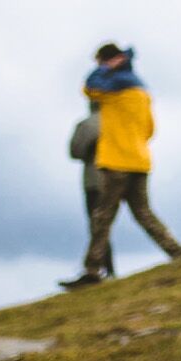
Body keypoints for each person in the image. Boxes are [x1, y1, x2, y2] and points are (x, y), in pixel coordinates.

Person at [63, 44, 181, 287]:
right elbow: (150, 129)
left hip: (116, 162)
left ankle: (92, 271)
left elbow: (89, 87)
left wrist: (105, 67)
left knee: (102, 217)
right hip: (140, 160)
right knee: (144, 213)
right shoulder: (142, 92)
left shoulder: (111, 92)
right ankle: (180, 255)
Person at [69, 102, 112, 277]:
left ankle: (103, 269)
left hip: (93, 181)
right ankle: (107, 268)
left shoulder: (86, 124)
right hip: (114, 178)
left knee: (97, 226)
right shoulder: (115, 123)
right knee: (104, 225)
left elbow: (75, 152)